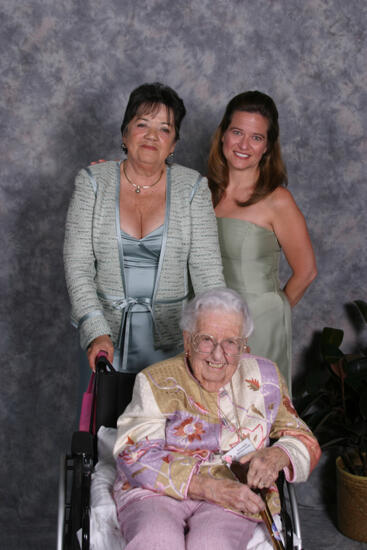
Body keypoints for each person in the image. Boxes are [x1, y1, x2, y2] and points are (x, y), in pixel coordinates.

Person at [113, 288, 321, 549]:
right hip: (157, 492)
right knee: (157, 540)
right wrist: (205, 487)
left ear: (244, 344)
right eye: (206, 340)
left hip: (235, 492)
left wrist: (276, 456)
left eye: (231, 342)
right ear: (188, 341)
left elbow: (302, 438)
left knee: (212, 544)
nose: (218, 355)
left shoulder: (265, 377)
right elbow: (134, 453)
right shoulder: (155, 381)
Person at [63, 82, 225, 389]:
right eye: (142, 124)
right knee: (103, 428)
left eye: (165, 128)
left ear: (174, 143)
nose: (152, 136)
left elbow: (208, 274)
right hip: (104, 343)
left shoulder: (192, 188)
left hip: (172, 344)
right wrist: (95, 330)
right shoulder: (92, 183)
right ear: (125, 134)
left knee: (167, 432)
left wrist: (219, 332)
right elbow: (78, 266)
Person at [208, 91, 317, 387]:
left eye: (256, 138)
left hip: (256, 328)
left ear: (267, 147)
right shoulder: (202, 193)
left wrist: (266, 315)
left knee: (251, 416)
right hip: (207, 326)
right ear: (223, 135)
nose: (244, 145)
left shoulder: (277, 200)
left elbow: (306, 271)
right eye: (237, 132)